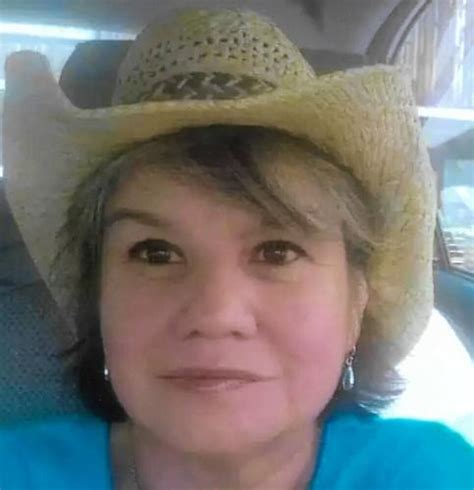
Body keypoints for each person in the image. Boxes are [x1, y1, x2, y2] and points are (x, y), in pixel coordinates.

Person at [1, 8, 473, 490]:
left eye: (277, 252)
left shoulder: (430, 472)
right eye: (156, 253)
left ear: (356, 305)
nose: (215, 314)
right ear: (97, 299)